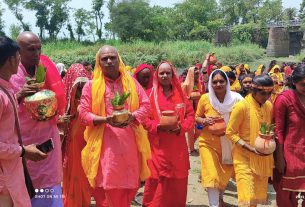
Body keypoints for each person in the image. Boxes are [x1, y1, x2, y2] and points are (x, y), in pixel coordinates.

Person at [79, 45, 151, 207]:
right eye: (105, 59)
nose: (109, 61)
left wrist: (133, 116)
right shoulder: (91, 86)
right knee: (105, 189)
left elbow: (146, 106)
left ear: (119, 60)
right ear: (99, 62)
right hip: (104, 147)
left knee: (128, 188)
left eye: (113, 57)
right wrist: (105, 119)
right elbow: (83, 114)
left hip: (129, 146)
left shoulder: (131, 83)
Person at [10, 31, 66, 207]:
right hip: (23, 142)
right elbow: (4, 106)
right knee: (28, 188)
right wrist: (20, 95)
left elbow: (58, 98)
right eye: (30, 49)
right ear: (18, 51)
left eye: (38, 48)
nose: (36, 53)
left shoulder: (45, 67)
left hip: (48, 136)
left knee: (50, 187)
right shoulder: (9, 72)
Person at [0, 36, 47, 207]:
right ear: (12, 59)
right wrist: (22, 151)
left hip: (11, 173)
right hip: (4, 180)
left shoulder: (7, 89)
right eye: (19, 55)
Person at [142, 61, 194, 207]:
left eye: (168, 73)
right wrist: (157, 127)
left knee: (177, 182)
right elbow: (144, 119)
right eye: (161, 73)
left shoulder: (182, 95)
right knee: (156, 181)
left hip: (178, 148)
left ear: (173, 75)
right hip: (157, 148)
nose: (165, 75)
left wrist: (182, 128)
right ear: (156, 76)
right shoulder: (149, 95)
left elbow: (190, 116)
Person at [195, 69, 243, 207]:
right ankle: (214, 205)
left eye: (221, 81)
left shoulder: (237, 99)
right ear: (210, 83)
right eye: (214, 82)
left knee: (224, 174)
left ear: (227, 82)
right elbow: (197, 117)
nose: (218, 84)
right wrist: (204, 121)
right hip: (208, 143)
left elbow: (245, 117)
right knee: (212, 175)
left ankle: (220, 200)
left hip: (229, 143)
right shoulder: (205, 98)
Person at [226, 75, 274, 206]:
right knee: (246, 198)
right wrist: (250, 148)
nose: (266, 97)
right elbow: (230, 132)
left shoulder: (268, 106)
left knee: (254, 199)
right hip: (243, 158)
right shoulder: (241, 107)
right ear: (253, 91)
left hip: (262, 159)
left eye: (269, 93)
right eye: (263, 93)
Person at [273, 65, 305, 207]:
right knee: (286, 193)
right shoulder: (284, 99)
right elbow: (278, 130)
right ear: (294, 82)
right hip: (290, 153)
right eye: (303, 84)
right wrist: (279, 159)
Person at [62, 63, 91, 207]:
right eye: (78, 84)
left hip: (86, 140)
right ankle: (74, 201)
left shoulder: (88, 98)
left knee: (84, 171)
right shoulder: (64, 98)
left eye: (83, 84)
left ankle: (83, 200)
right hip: (74, 141)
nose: (81, 87)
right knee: (75, 170)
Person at [181, 66, 204, 155]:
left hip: (198, 110)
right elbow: (181, 98)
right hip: (188, 112)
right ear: (191, 74)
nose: (198, 75)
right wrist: (190, 97)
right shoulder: (185, 85)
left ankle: (190, 144)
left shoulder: (198, 84)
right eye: (196, 74)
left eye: (198, 73)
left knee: (199, 129)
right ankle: (191, 149)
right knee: (190, 131)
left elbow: (201, 95)